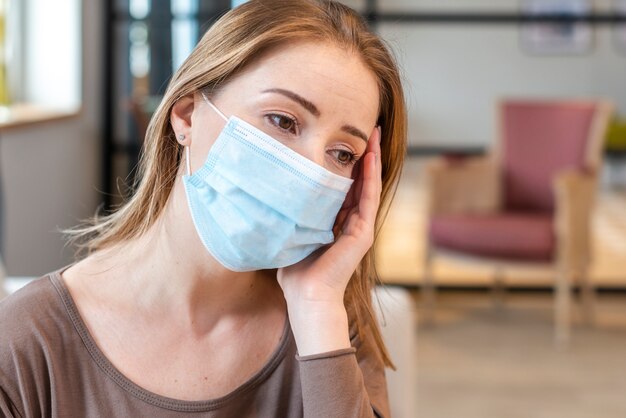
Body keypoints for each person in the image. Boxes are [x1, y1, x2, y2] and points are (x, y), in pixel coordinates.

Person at [0, 0, 407, 416]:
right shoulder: (24, 342)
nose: (310, 167)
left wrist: (317, 310)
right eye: (283, 121)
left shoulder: (333, 322)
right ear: (187, 114)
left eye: (342, 153)